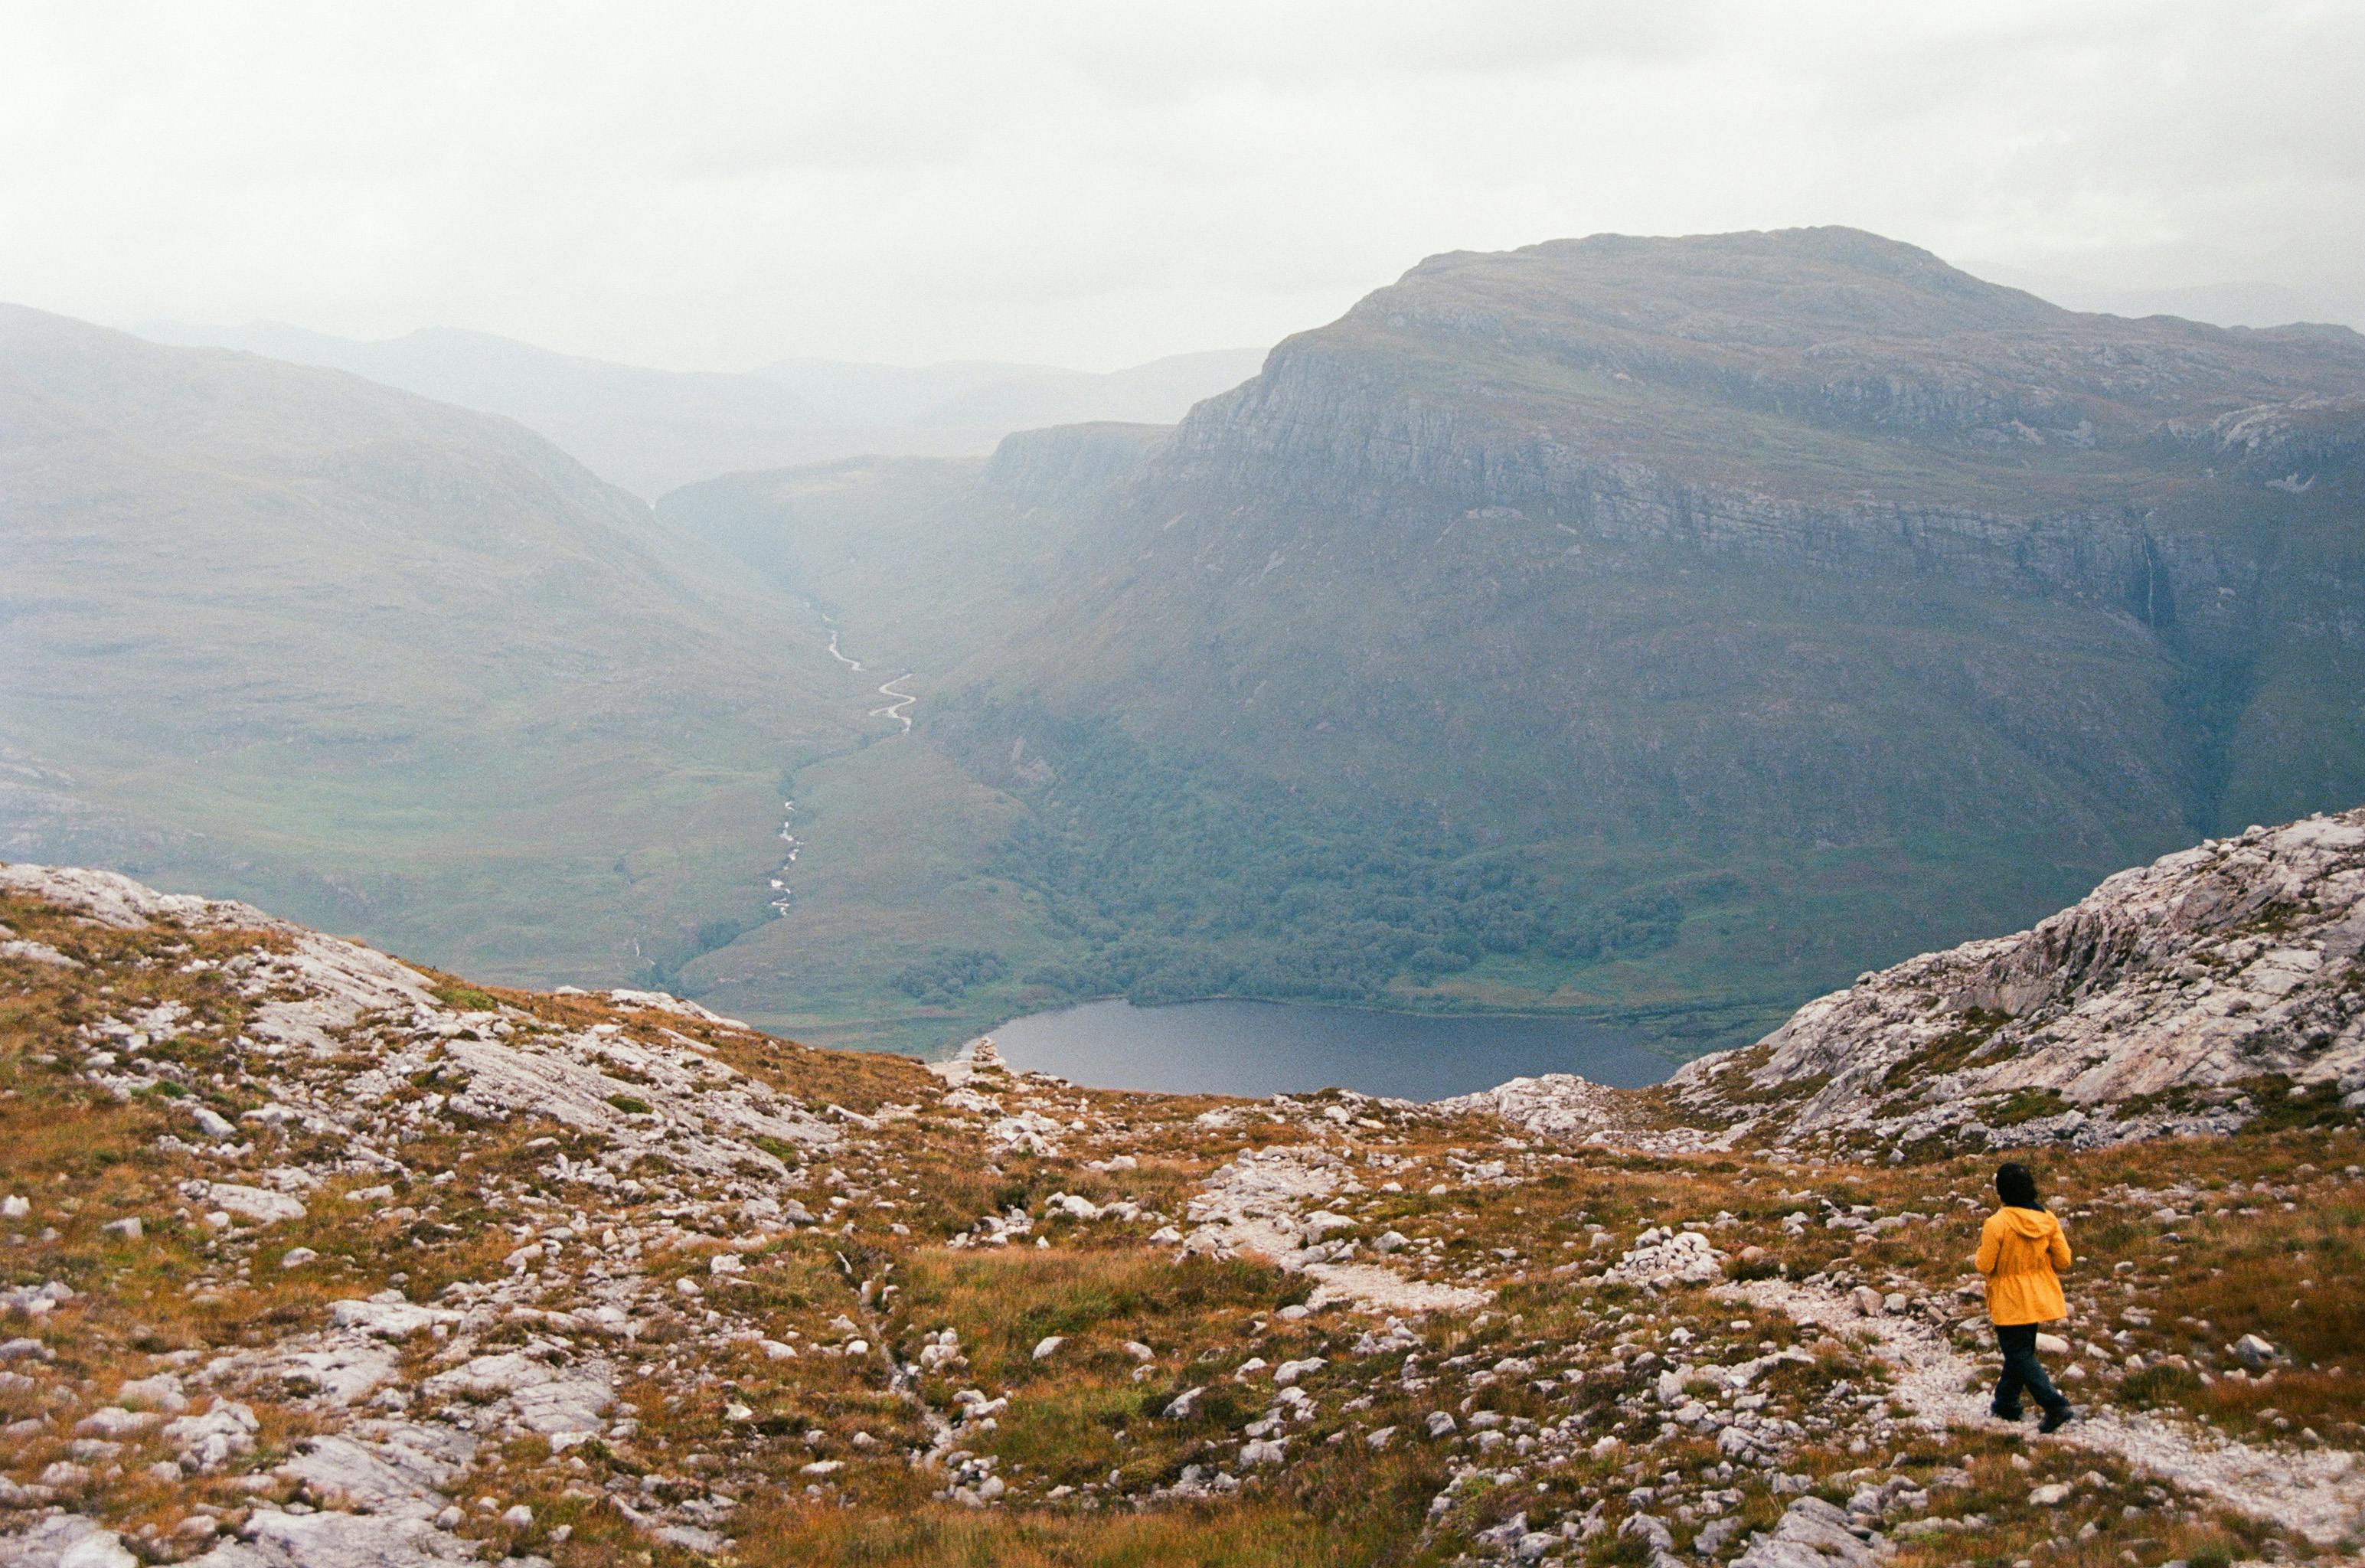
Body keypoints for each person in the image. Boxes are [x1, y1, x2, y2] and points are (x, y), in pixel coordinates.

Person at [1975, 1160, 2076, 1433]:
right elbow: (2064, 1260)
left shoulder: (1997, 1223)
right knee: (2021, 1352)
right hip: (2039, 1295)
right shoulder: (2048, 1219)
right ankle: (2006, 1403)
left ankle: (2054, 1404)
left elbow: (1984, 1265)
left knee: (2017, 1352)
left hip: (2009, 1297)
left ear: (2002, 1191)